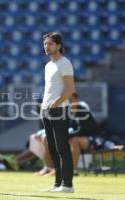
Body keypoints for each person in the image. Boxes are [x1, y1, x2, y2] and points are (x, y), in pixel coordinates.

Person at [41, 32, 75, 193]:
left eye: (50, 44)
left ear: (59, 46)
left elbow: (70, 89)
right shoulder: (48, 65)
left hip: (59, 110)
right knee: (52, 148)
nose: (47, 47)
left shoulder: (65, 63)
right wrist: (45, 106)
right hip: (47, 110)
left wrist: (55, 104)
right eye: (45, 44)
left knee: (62, 147)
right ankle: (58, 183)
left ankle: (67, 185)